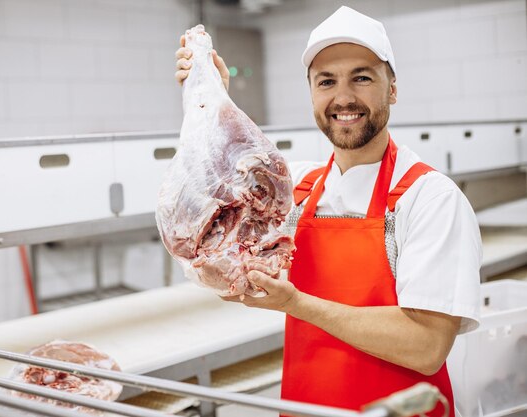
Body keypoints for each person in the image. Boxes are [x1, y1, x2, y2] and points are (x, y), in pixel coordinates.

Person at [175, 6, 481, 417]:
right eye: (326, 81)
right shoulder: (294, 190)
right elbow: (216, 208)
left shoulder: (429, 198)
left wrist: (297, 304)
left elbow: (426, 347)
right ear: (313, 94)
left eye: (362, 77)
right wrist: (210, 95)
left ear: (392, 88)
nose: (343, 98)